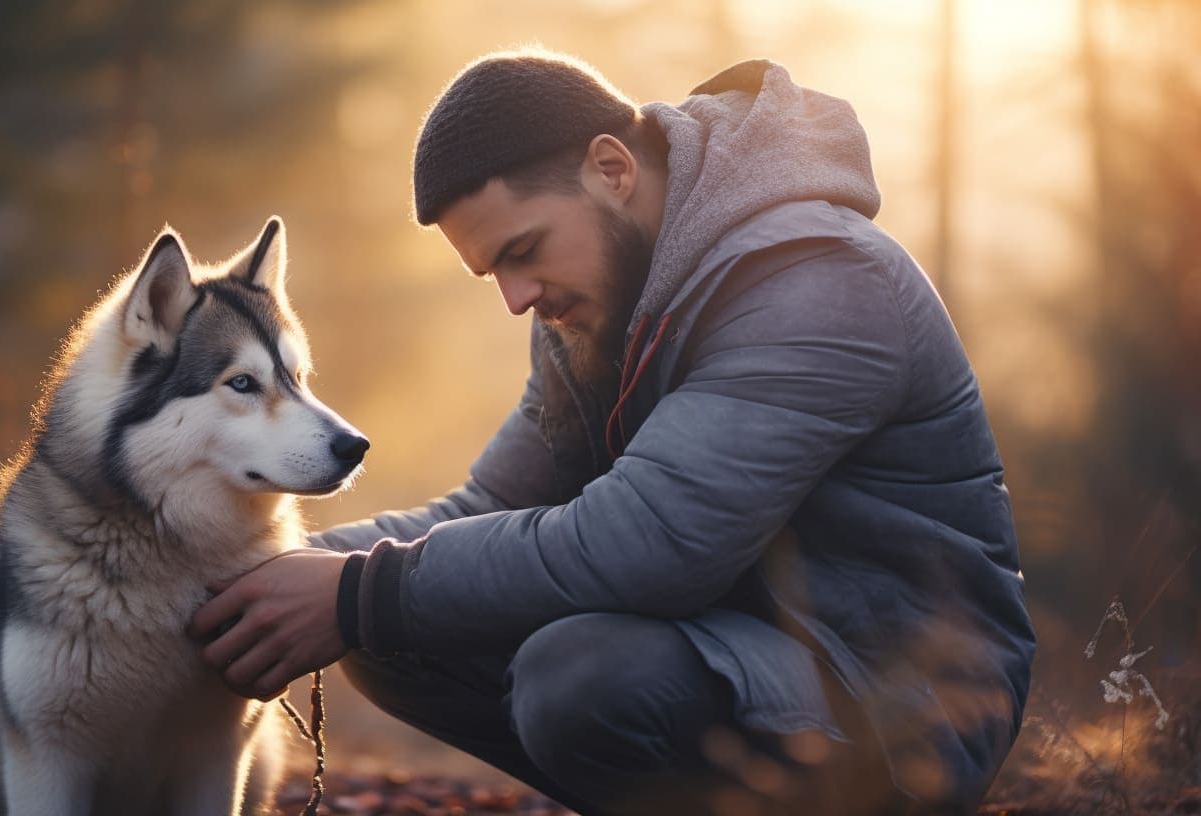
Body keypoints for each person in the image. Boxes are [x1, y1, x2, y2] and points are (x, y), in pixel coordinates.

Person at [189, 50, 1036, 815]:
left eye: (524, 250)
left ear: (611, 168)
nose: (518, 298)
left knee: (574, 674)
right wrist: (265, 573)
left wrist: (352, 593)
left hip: (896, 703)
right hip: (730, 649)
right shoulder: (598, 300)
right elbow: (492, 504)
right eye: (493, 273)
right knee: (390, 631)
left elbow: (654, 541)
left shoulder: (818, 281)